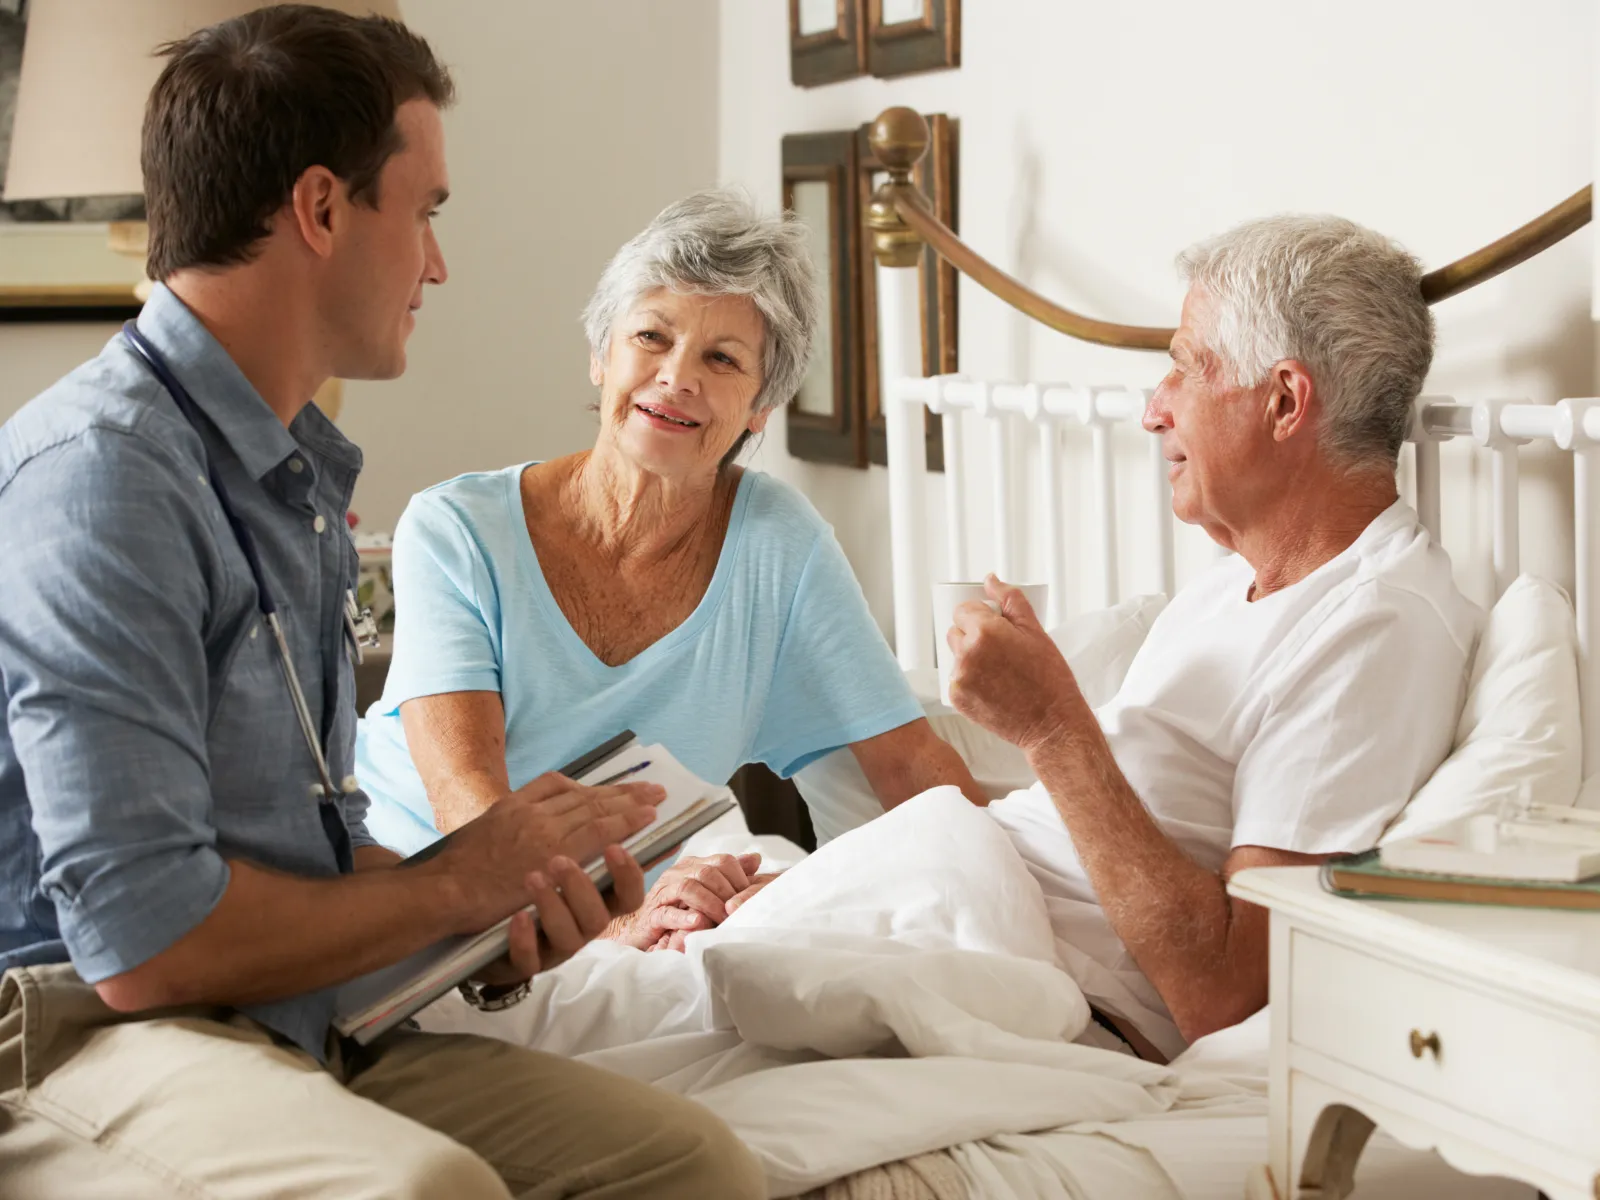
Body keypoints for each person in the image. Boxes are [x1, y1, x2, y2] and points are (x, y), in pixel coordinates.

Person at [0, 8, 764, 1197]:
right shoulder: (102, 480)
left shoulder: (292, 480)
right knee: (421, 1191)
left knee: (691, 1161)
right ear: (319, 209)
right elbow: (142, 946)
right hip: (81, 1031)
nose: (438, 262)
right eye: (427, 213)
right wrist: (455, 879)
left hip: (280, 1017)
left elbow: (300, 855)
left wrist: (494, 911)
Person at [355, 189, 983, 950]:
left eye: (722, 359)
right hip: (430, 903)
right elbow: (471, 813)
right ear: (600, 355)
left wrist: (1016, 900)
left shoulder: (780, 546)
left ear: (761, 406)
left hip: (641, 919)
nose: (677, 376)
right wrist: (621, 930)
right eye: (651, 336)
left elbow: (913, 768)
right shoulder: (456, 530)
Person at [946, 215, 1482, 1062]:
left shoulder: (1375, 627)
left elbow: (1227, 996)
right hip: (952, 907)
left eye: (1186, 367)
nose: (1153, 410)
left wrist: (1052, 728)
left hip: (1031, 985)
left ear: (1283, 401)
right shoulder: (1230, 585)